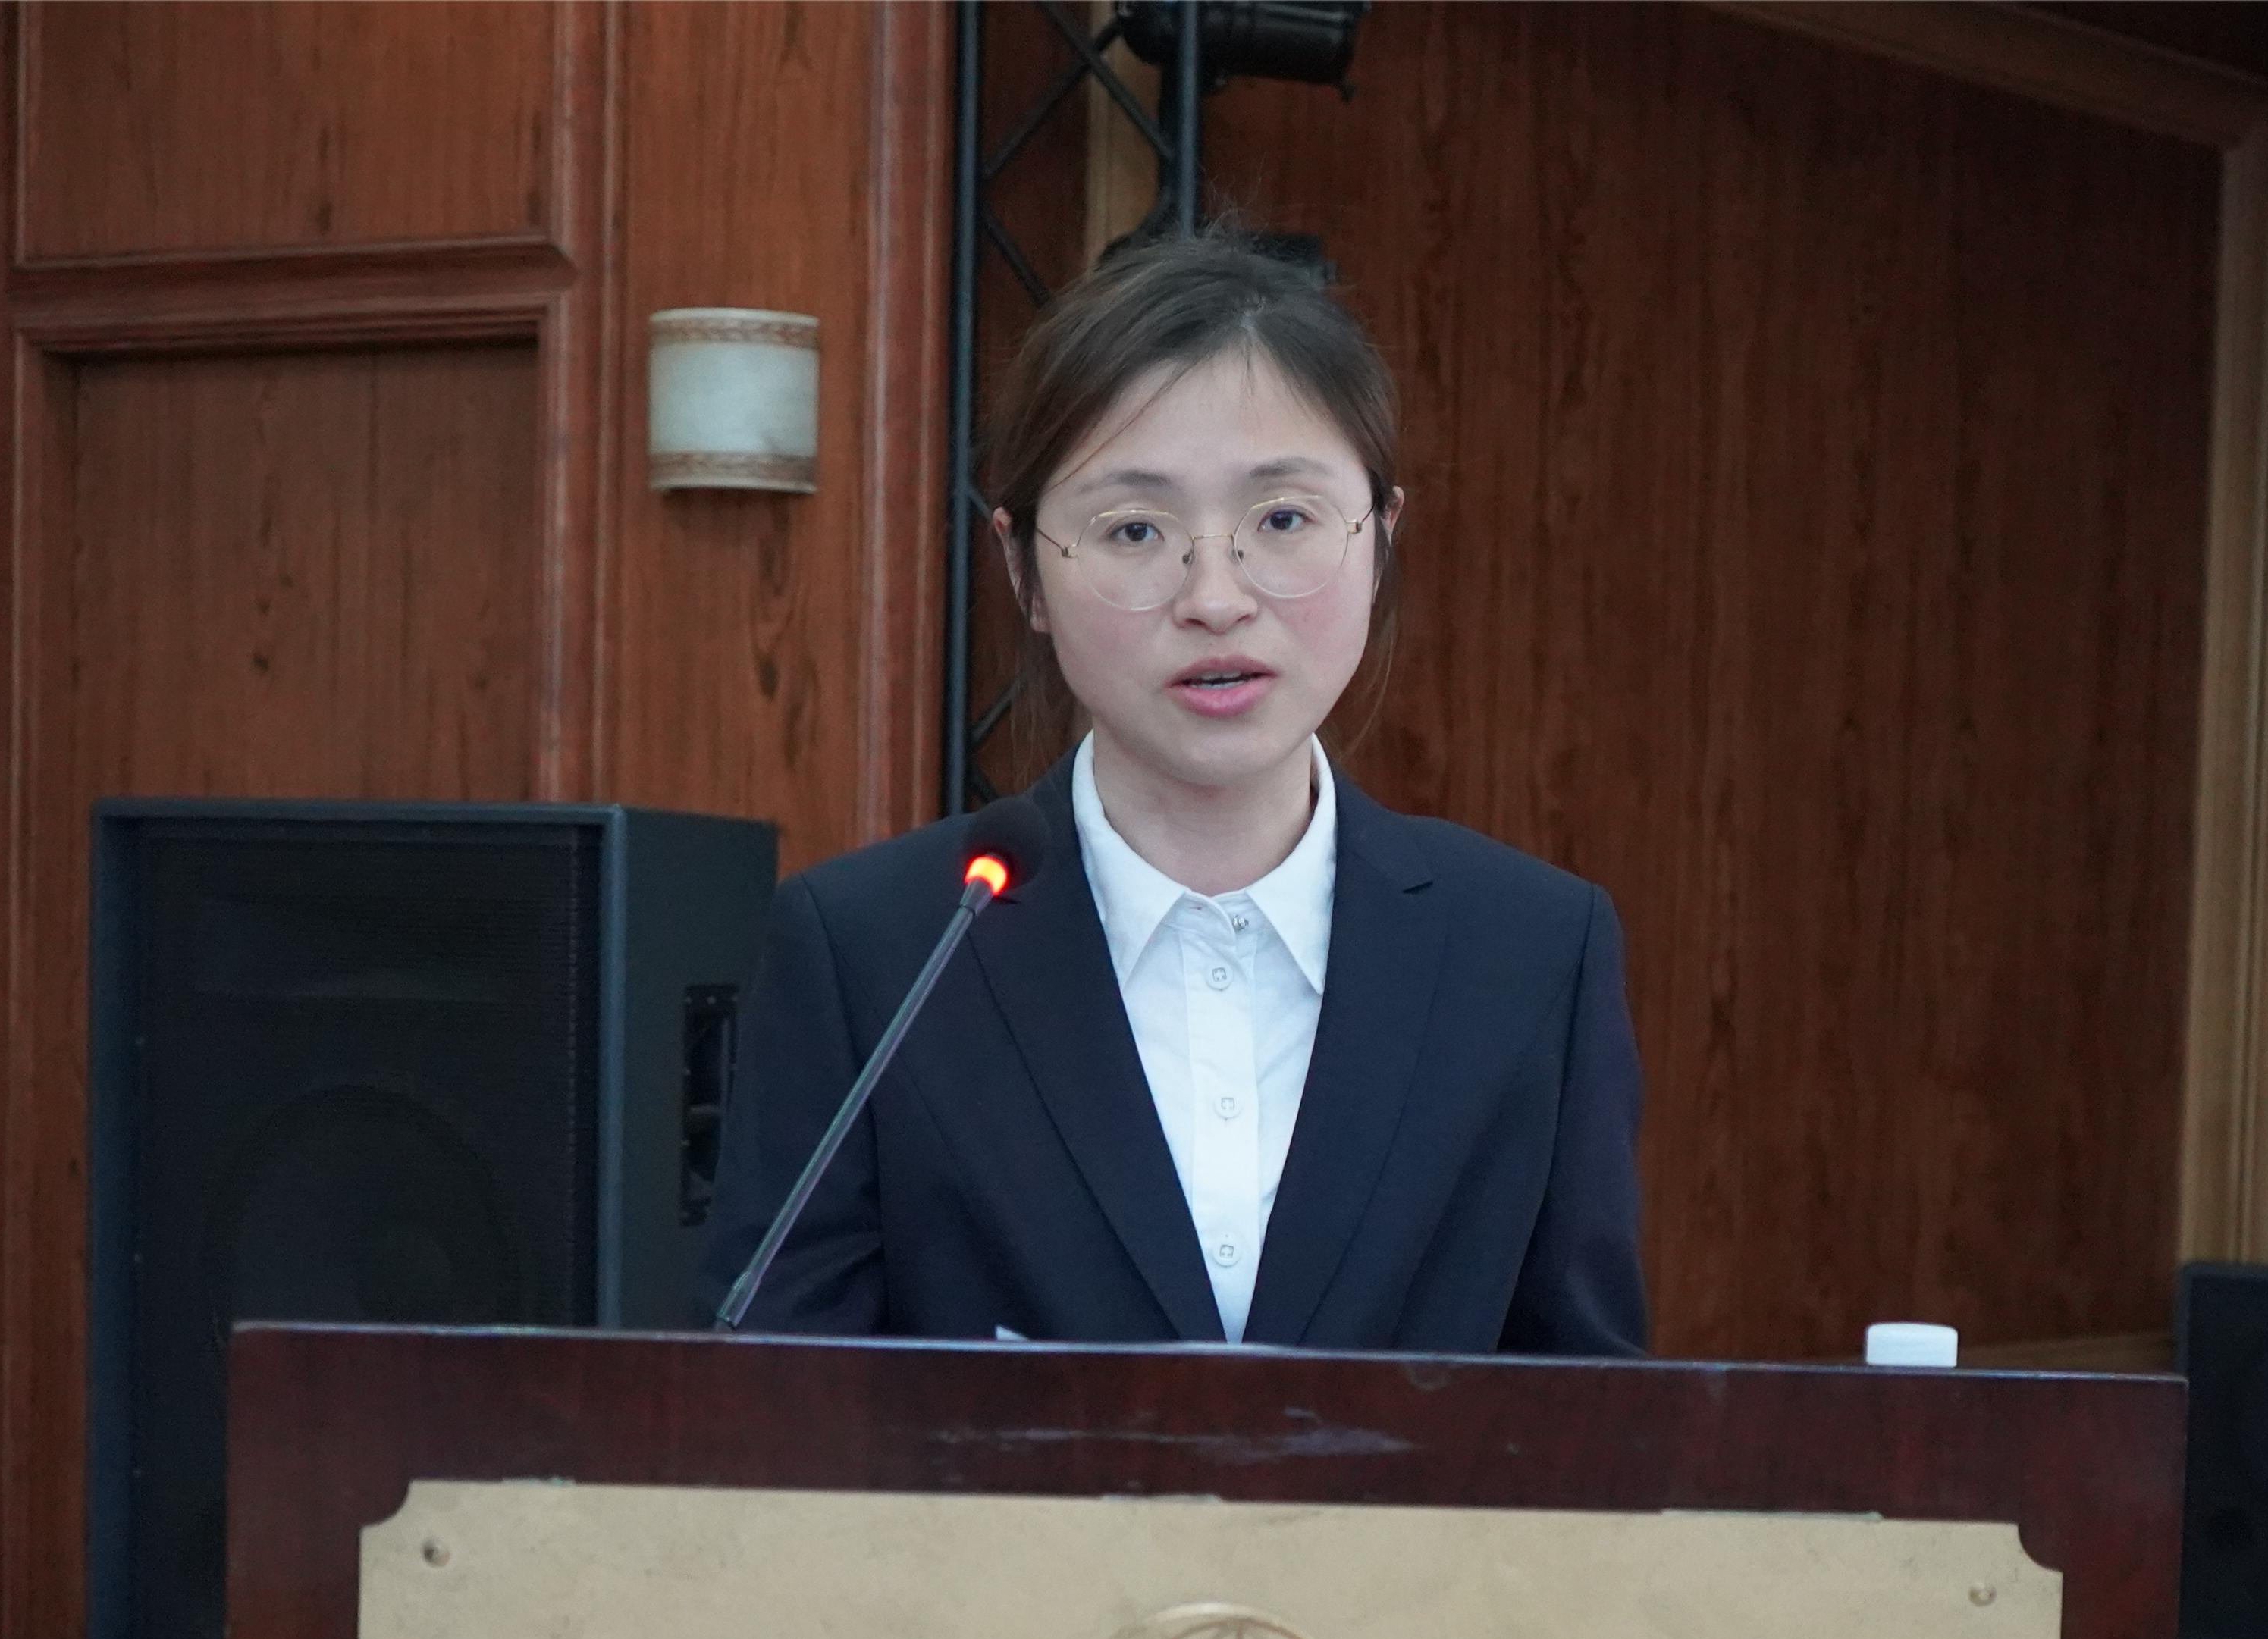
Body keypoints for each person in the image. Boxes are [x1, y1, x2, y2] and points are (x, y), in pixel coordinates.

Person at [698, 227, 1645, 1354]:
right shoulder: (877, 950)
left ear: (1380, 536)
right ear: (1022, 569)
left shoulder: (1532, 951)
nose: (1214, 597)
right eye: (1135, 530)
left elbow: (1589, 1410)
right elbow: (775, 1395)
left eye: (1282, 520)